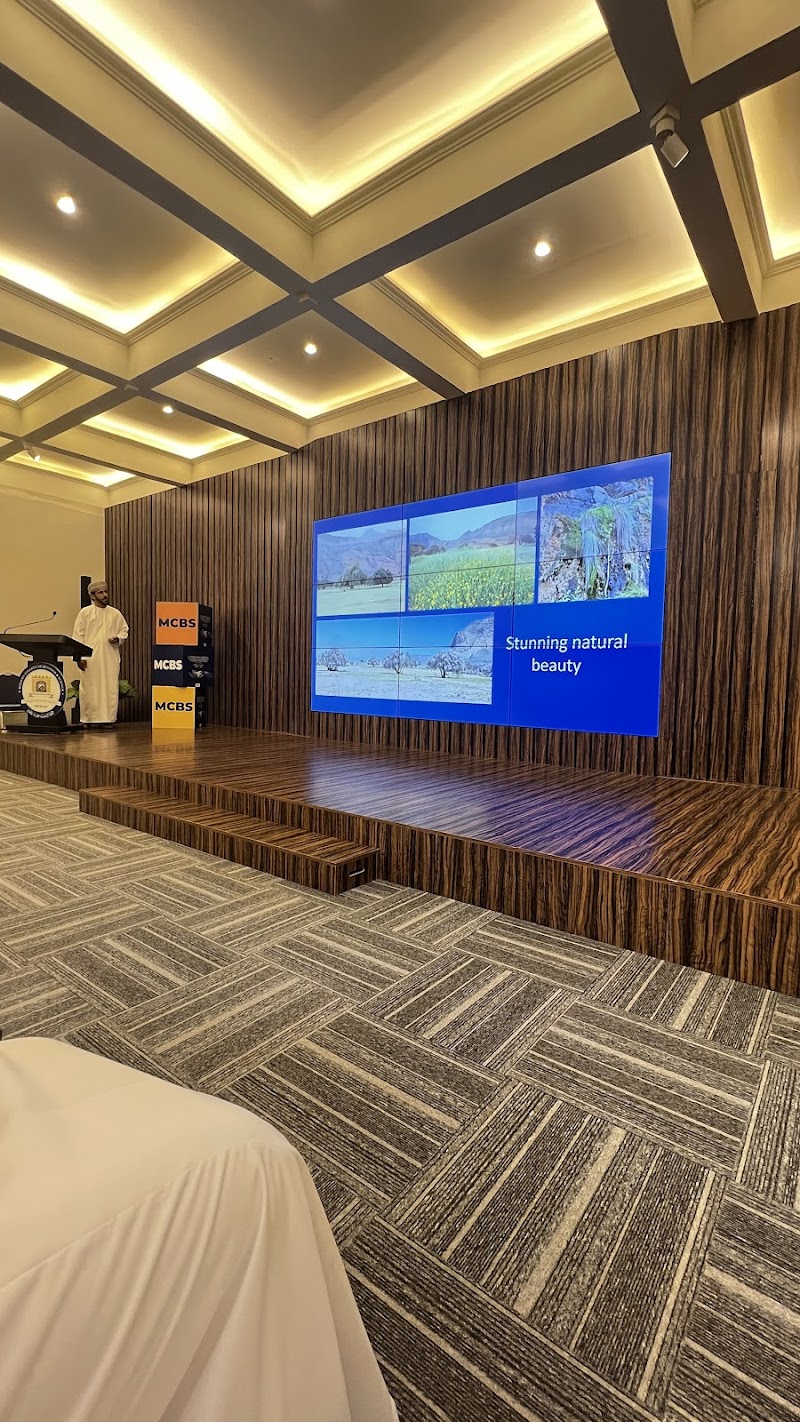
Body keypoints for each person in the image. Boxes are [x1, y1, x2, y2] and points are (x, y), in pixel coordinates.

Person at [72, 580, 129, 726]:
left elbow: (124, 630)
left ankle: (108, 719)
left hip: (110, 657)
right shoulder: (85, 613)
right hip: (90, 659)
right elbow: (78, 636)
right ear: (92, 596)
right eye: (100, 592)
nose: (105, 595)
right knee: (90, 688)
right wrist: (79, 657)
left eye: (106, 592)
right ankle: (88, 719)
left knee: (109, 688)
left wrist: (118, 638)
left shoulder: (115, 613)